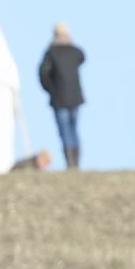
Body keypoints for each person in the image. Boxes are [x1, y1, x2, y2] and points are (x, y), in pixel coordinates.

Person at [38, 25, 85, 170]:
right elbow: (82, 57)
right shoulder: (74, 52)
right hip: (75, 97)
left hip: (59, 98)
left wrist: (51, 89)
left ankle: (71, 162)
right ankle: (75, 162)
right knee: (73, 129)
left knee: (65, 131)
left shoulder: (51, 52)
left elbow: (43, 73)